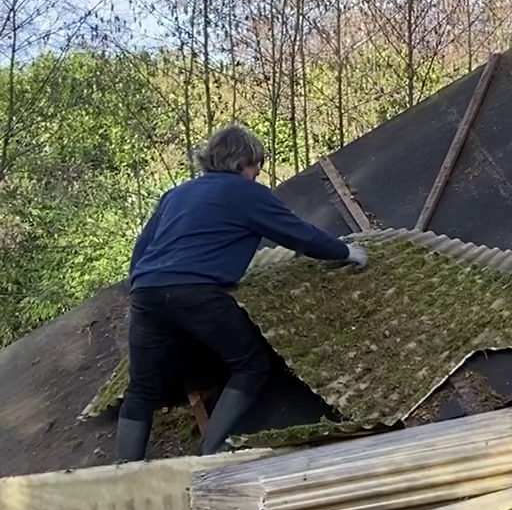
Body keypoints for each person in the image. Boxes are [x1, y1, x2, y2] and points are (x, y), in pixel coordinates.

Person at [116, 124, 368, 461]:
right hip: (197, 292)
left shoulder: (175, 195)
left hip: (147, 292)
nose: (258, 172)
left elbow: (142, 248)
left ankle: (122, 470)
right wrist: (345, 252)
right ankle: (212, 449)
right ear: (240, 163)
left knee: (142, 388)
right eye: (257, 164)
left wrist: (141, 284)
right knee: (250, 364)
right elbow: (298, 234)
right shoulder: (246, 193)